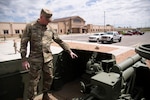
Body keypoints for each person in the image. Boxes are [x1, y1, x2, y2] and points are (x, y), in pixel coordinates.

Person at [20, 8, 78, 100]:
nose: (48, 22)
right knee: (33, 82)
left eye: (49, 20)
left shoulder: (50, 29)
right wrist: (24, 59)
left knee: (49, 78)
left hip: (48, 59)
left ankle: (45, 94)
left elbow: (60, 41)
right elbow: (23, 43)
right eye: (47, 20)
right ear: (41, 17)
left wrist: (69, 51)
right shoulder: (30, 26)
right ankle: (31, 98)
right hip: (35, 60)